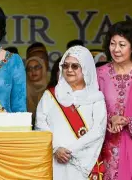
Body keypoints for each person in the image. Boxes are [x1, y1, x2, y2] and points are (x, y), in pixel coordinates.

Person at [36, 46, 107, 180]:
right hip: (55, 160)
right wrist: (56, 148)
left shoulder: (96, 98)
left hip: (83, 163)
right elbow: (40, 125)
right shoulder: (50, 95)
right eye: (65, 65)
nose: (69, 70)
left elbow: (98, 131)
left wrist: (69, 151)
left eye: (75, 66)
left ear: (85, 68)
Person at [97, 20, 132, 180]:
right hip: (107, 149)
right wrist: (109, 119)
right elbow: (89, 110)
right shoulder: (100, 74)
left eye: (122, 44)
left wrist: (129, 121)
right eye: (112, 44)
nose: (116, 49)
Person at [25, 56, 48, 126]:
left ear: (43, 69)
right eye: (29, 69)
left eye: (37, 67)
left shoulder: (51, 90)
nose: (33, 71)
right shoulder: (21, 92)